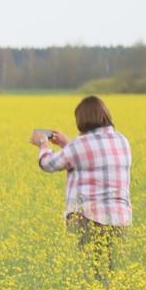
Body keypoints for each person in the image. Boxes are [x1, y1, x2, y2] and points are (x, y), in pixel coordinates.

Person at [30, 95, 131, 280]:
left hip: (90, 218)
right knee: (110, 273)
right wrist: (66, 144)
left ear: (82, 120)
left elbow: (48, 164)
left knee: (89, 274)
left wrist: (43, 144)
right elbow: (94, 158)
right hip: (120, 219)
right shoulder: (122, 140)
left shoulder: (81, 144)